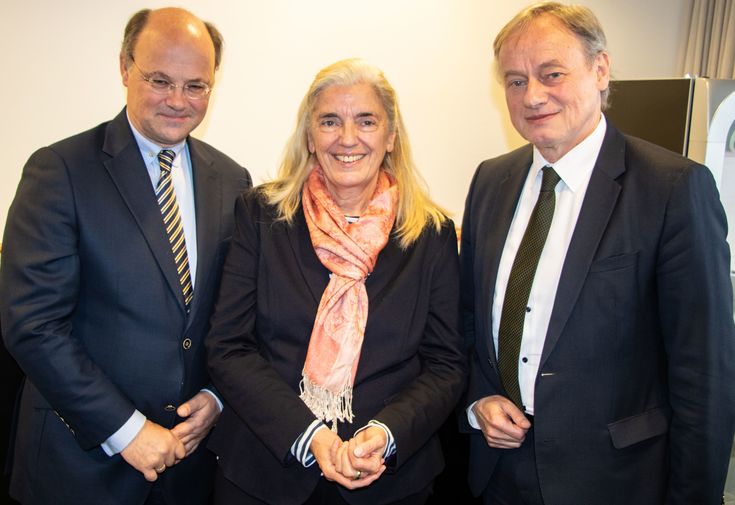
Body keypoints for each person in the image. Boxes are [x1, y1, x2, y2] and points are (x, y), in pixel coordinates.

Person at [461, 2, 735, 504]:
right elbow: (468, 322)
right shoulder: (490, 181)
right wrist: (480, 397)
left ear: (601, 69)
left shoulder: (673, 189)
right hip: (496, 475)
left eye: (552, 74)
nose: (533, 95)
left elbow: (705, 376)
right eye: (516, 81)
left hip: (614, 480)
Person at [0, 7, 251, 505]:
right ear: (124, 68)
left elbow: (235, 316)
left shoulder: (233, 181)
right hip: (80, 468)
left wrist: (218, 397)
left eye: (196, 86)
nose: (178, 101)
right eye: (160, 80)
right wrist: (127, 430)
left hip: (189, 468)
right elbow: (32, 324)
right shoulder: (60, 171)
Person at [205, 58, 466, 505]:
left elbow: (446, 364)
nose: (348, 139)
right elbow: (229, 346)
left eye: (366, 121)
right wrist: (309, 436)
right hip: (266, 474)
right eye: (330, 121)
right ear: (310, 135)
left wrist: (386, 434)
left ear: (390, 136)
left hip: (387, 481)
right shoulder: (261, 215)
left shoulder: (431, 234)